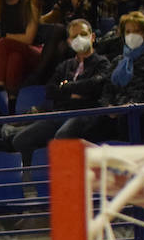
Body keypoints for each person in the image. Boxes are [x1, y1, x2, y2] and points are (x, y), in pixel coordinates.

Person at [7, 18, 110, 162]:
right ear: (69, 41)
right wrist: (73, 92)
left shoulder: (102, 62)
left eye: (83, 34)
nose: (79, 39)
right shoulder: (65, 65)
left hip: (86, 113)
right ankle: (39, 177)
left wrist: (66, 87)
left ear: (92, 37)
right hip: (61, 113)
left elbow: (95, 85)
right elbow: (50, 90)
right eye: (74, 36)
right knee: (21, 140)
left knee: (63, 135)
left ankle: (68, 175)